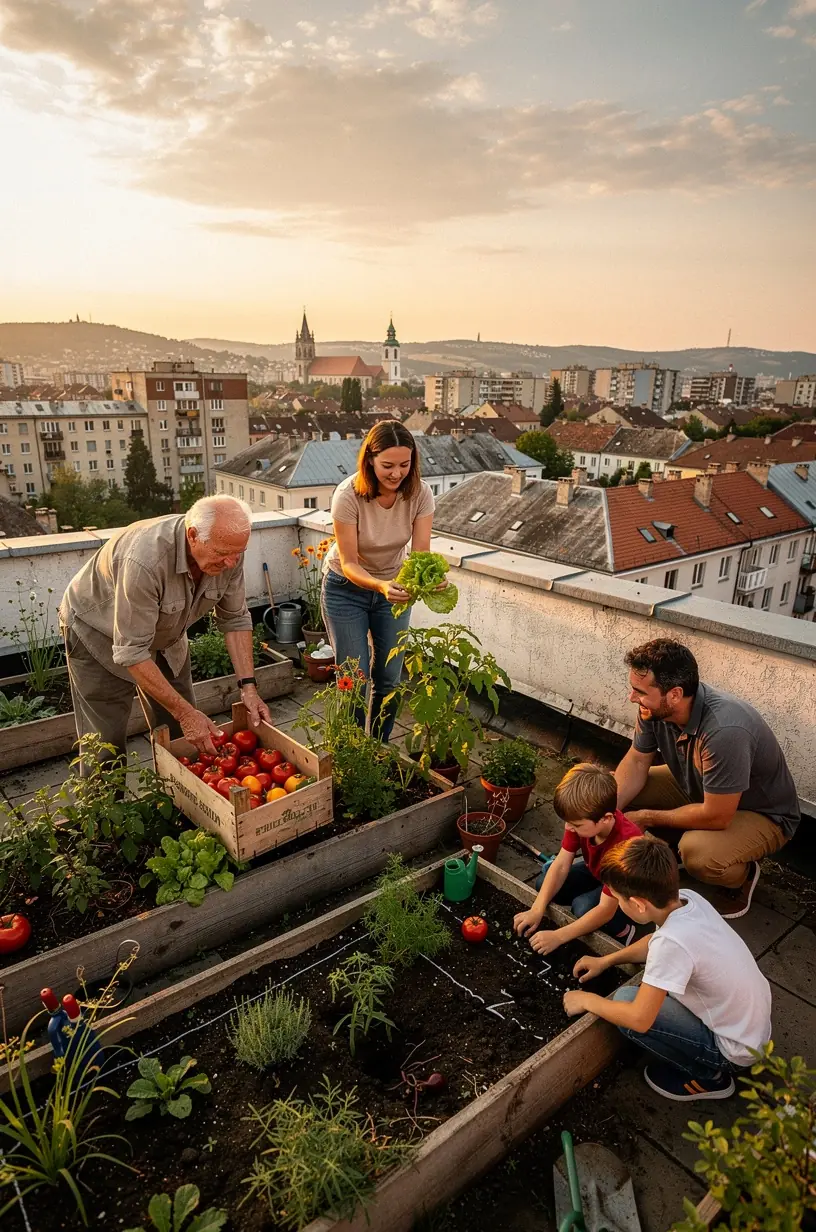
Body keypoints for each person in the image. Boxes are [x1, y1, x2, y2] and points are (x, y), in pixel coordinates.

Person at [59, 494, 272, 761]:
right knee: (104, 744)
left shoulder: (228, 550)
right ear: (193, 536)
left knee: (182, 735)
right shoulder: (145, 562)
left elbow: (235, 619)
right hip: (98, 630)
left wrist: (248, 688)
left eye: (238, 553)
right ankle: (104, 789)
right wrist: (185, 713)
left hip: (166, 634)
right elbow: (132, 652)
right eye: (221, 554)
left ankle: (179, 785)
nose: (231, 563)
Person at [563, 835, 772, 1102]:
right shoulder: (687, 900)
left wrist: (587, 1000)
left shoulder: (672, 944)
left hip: (732, 1050)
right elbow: (655, 941)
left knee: (627, 1002)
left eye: (618, 899)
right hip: (751, 1030)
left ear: (638, 904)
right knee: (643, 997)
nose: (617, 904)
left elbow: (639, 1019)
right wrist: (606, 960)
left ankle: (709, 1077)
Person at [614, 638, 800, 918]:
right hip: (701, 787)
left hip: (762, 813)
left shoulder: (725, 730)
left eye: (640, 691)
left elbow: (717, 815)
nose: (632, 697)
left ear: (674, 695)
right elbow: (638, 761)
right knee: (611, 792)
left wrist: (647, 817)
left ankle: (743, 874)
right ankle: (678, 846)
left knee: (698, 854)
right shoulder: (653, 708)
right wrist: (606, 813)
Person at [321, 420, 435, 741]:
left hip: (392, 591)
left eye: (404, 464)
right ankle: (354, 748)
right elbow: (350, 563)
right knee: (354, 678)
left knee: (390, 678)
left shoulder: (421, 494)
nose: (397, 473)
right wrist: (381, 585)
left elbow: (421, 554)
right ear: (370, 460)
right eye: (388, 465)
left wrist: (430, 580)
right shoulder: (348, 495)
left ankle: (379, 746)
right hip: (346, 589)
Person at [513, 763, 641, 954]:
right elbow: (561, 865)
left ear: (606, 818)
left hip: (625, 894)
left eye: (576, 825)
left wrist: (558, 936)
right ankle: (588, 901)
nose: (568, 828)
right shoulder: (579, 819)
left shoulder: (627, 845)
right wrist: (536, 910)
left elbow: (605, 909)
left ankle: (623, 930)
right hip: (598, 873)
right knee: (544, 882)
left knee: (582, 907)